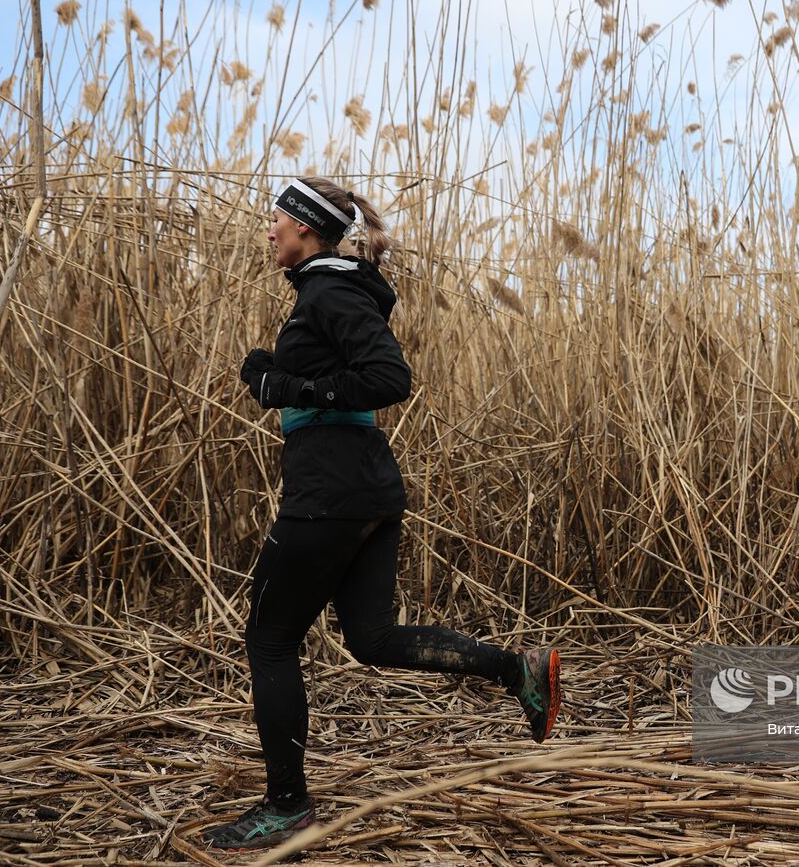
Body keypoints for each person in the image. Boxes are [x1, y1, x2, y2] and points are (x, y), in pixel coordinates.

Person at [203, 177, 562, 851]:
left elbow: (389, 377)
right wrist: (272, 377)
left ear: (307, 230)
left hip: (330, 495)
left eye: (276, 220)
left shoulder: (330, 291)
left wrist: (290, 384)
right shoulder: (331, 290)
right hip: (367, 490)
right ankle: (517, 670)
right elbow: (336, 378)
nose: (269, 231)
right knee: (370, 637)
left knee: (271, 642)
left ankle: (286, 807)